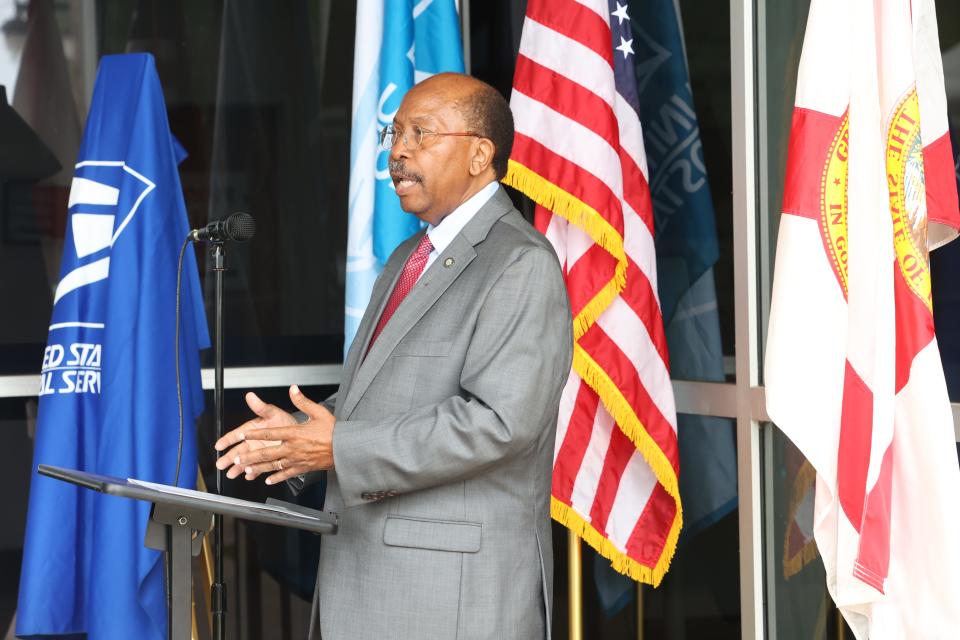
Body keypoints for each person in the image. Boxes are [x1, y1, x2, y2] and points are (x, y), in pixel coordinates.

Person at [214, 72, 572, 639]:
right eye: (394, 133)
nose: (398, 152)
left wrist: (339, 446)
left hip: (450, 598)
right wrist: (300, 435)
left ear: (481, 153)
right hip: (367, 581)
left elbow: (500, 424)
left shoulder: (520, 263)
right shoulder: (410, 254)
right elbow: (380, 392)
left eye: (421, 134)